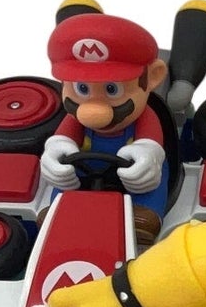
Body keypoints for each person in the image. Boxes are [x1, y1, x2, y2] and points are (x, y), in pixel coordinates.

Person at [41, 13, 170, 244]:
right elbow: (61, 140)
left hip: (135, 179)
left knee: (150, 190)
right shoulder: (74, 120)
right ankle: (58, 215)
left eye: (112, 89)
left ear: (153, 77)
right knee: (60, 190)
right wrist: (56, 156)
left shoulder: (146, 118)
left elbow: (150, 144)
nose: (93, 110)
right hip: (80, 173)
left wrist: (146, 156)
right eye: (81, 88)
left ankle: (143, 216)